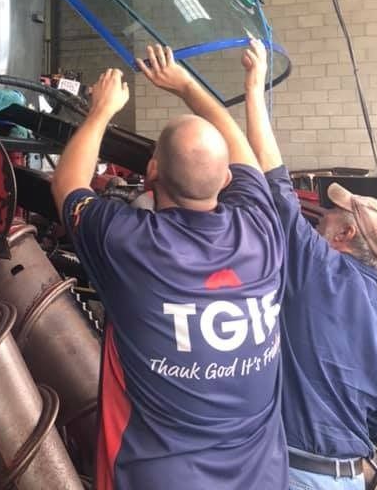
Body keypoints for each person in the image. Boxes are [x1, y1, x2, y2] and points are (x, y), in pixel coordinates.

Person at [51, 45, 287, 490]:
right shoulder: (262, 229)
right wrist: (187, 86)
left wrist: (101, 111)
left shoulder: (131, 245)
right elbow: (239, 150)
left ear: (152, 170)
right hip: (263, 477)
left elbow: (67, 185)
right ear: (228, 179)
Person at [242, 39, 377, 490]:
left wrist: (252, 84)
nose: (319, 219)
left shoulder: (323, 272)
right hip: (347, 478)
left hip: (294, 473)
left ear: (344, 236)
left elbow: (274, 182)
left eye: (329, 217)